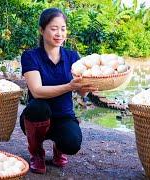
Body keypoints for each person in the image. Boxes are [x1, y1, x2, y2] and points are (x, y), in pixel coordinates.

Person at [19, 7, 96, 174]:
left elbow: (81, 92)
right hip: (36, 117)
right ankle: (37, 152)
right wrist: (69, 86)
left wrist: (88, 87)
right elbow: (37, 91)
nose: (59, 33)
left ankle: (58, 147)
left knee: (72, 144)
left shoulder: (73, 57)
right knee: (38, 106)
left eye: (63, 29)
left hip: (63, 116)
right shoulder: (30, 56)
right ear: (41, 30)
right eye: (54, 29)